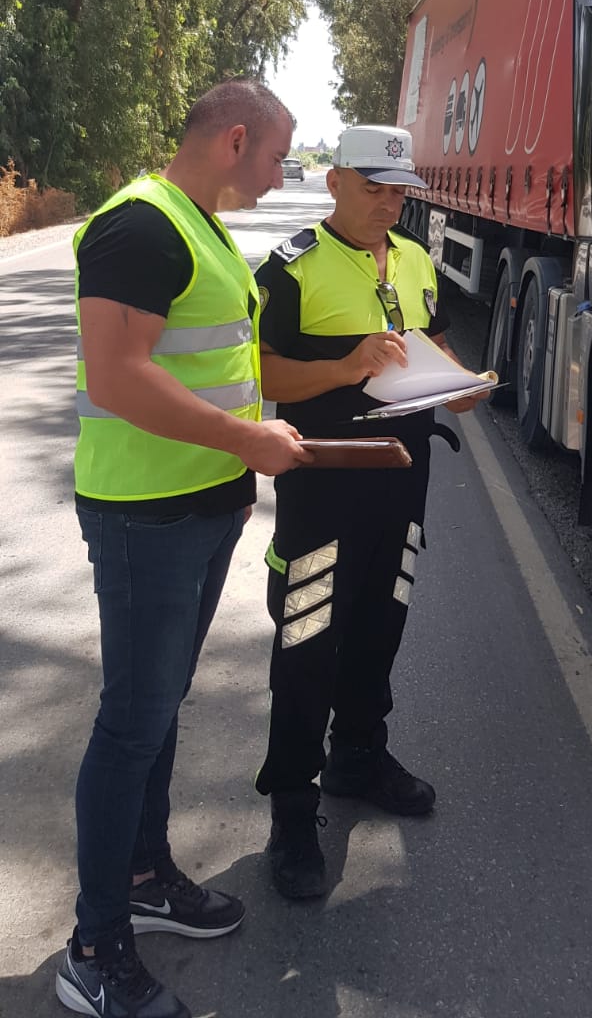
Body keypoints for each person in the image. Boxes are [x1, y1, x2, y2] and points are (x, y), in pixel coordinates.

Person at [57, 79, 308, 1018]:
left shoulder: (199, 224)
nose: (281, 175)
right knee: (131, 724)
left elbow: (208, 365)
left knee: (157, 711)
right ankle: (94, 948)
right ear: (235, 138)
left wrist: (241, 465)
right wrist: (247, 441)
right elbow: (118, 377)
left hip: (197, 506)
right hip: (144, 516)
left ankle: (142, 875)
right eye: (277, 156)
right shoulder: (140, 225)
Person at [253, 123, 486, 900]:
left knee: (383, 621)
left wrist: (462, 383)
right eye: (373, 189)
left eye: (399, 192)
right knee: (308, 638)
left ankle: (357, 754)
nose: (389, 205)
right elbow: (262, 372)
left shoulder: (416, 258)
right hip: (324, 489)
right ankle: (293, 807)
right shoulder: (292, 268)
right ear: (335, 183)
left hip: (402, 485)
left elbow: (435, 344)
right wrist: (347, 365)